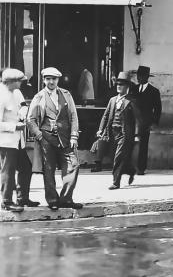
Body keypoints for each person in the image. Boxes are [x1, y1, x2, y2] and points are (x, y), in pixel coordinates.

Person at [26, 67, 83, 210]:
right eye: (48, 79)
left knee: (73, 165)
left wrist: (74, 136)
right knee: (49, 170)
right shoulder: (39, 97)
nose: (51, 82)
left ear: (58, 79)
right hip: (46, 138)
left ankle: (66, 199)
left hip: (65, 138)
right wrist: (38, 134)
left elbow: (73, 116)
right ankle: (52, 200)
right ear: (44, 80)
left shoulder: (66, 94)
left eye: (54, 79)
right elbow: (30, 119)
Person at [0, 69, 36, 212]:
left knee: (26, 167)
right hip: (6, 141)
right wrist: (14, 126)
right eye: (19, 81)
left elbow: (23, 106)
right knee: (7, 171)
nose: (21, 83)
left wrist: (23, 112)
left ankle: (23, 198)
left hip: (18, 140)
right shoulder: (1, 96)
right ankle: (6, 200)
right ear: (10, 82)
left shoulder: (16, 92)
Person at [97, 71, 139, 189]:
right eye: (118, 84)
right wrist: (101, 129)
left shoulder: (131, 101)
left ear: (127, 87)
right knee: (115, 157)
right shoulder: (112, 100)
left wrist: (136, 134)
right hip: (112, 133)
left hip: (125, 134)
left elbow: (137, 119)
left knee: (118, 157)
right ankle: (130, 170)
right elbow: (105, 116)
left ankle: (116, 182)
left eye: (122, 84)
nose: (119, 86)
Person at [130, 65, 161, 175]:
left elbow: (158, 109)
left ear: (147, 77)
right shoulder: (133, 89)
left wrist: (153, 122)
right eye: (138, 76)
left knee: (143, 145)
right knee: (130, 144)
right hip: (132, 122)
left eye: (142, 76)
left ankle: (141, 168)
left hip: (145, 123)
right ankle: (129, 167)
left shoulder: (154, 91)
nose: (139, 78)